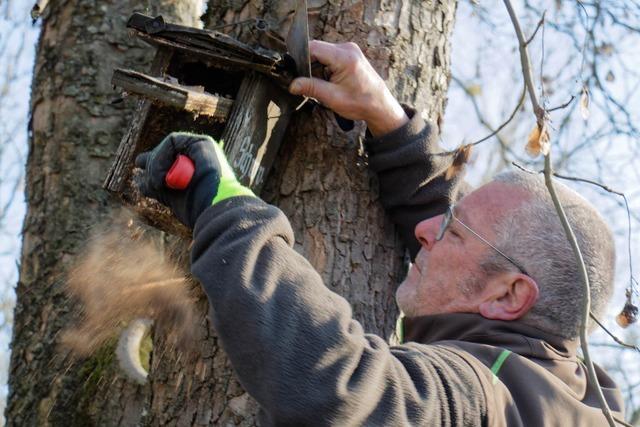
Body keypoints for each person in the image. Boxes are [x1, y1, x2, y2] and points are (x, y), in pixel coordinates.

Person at [135, 40, 624, 426]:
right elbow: (473, 249)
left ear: (509, 295)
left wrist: (225, 208)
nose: (429, 229)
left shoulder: (481, 398)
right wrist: (390, 121)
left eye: (454, 232)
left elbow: (337, 390)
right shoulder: (572, 397)